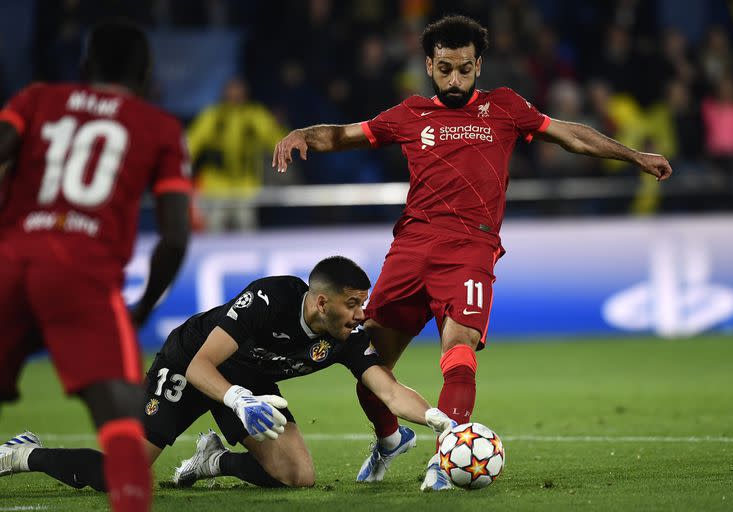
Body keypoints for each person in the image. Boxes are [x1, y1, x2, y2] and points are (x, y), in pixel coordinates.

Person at [273, 14, 673, 491]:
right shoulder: (410, 114)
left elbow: (570, 134)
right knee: (370, 371)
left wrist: (634, 156)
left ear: (479, 65)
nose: (455, 79)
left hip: (470, 249)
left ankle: (447, 460)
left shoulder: (505, 108)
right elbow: (344, 134)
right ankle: (389, 439)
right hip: (410, 249)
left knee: (458, 351)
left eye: (464, 68)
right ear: (429, 65)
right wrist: (303, 135)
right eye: (445, 69)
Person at [0, 256, 456, 491]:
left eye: (363, 303)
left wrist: (442, 421)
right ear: (322, 302)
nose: (361, 314)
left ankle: (212, 460)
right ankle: (25, 454)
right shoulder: (269, 299)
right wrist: (237, 399)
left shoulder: (347, 337)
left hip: (248, 382)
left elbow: (390, 392)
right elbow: (203, 363)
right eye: (353, 304)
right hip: (193, 360)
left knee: (298, 476)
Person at [0, 20, 191, 512]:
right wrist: (145, 303)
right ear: (146, 76)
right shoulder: (160, 128)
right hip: (82, 275)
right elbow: (174, 235)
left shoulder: (36, 99)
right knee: (123, 421)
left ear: (84, 68)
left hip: (10, 258)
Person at [187, 77, 287, 232]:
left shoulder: (255, 115)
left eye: (239, 90)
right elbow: (192, 142)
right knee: (214, 231)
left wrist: (285, 139)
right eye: (231, 90)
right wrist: (181, 164)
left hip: (245, 186)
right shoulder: (213, 115)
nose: (235, 94)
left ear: (245, 93)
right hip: (215, 185)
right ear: (224, 92)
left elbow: (274, 138)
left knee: (247, 230)